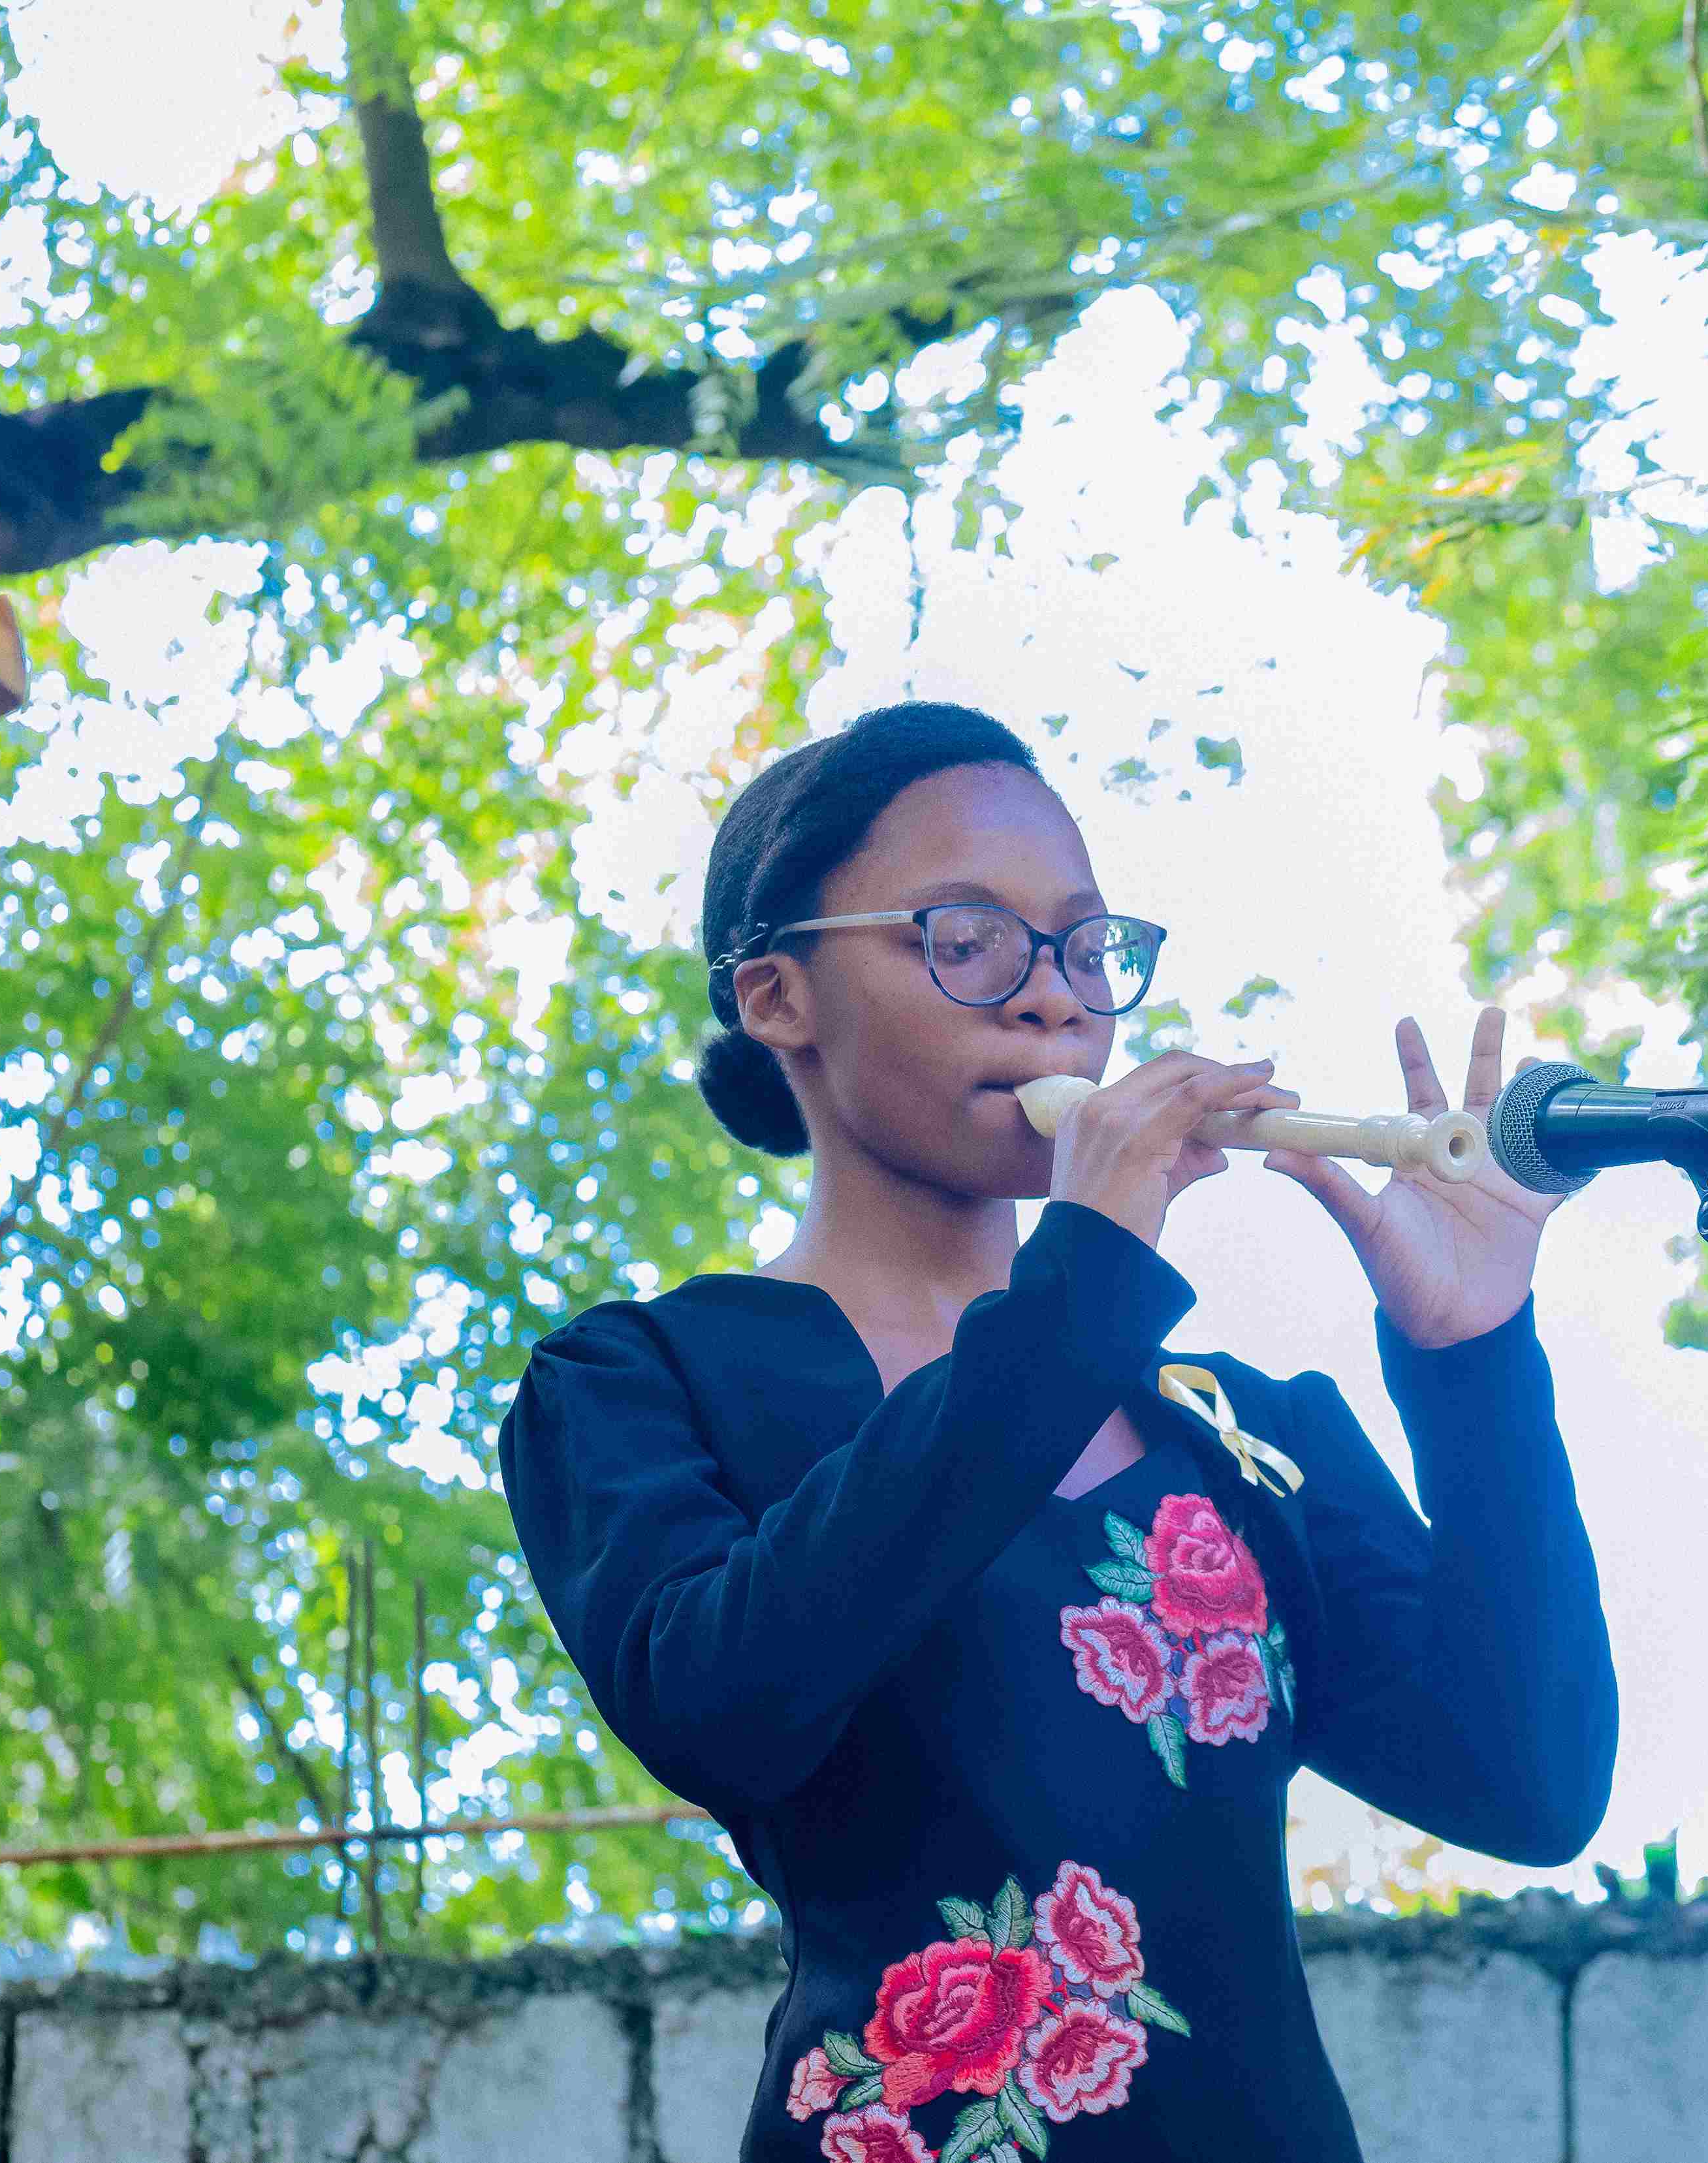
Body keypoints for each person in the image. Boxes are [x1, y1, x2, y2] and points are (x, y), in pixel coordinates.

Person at [496, 699, 1618, 2162]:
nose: (1053, 999)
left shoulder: (1246, 1431)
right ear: (776, 998)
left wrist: (1471, 1365)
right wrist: (1078, 1282)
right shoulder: (635, 1380)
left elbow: (1523, 1784)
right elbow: (727, 1706)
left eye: (1088, 949)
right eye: (965, 937)